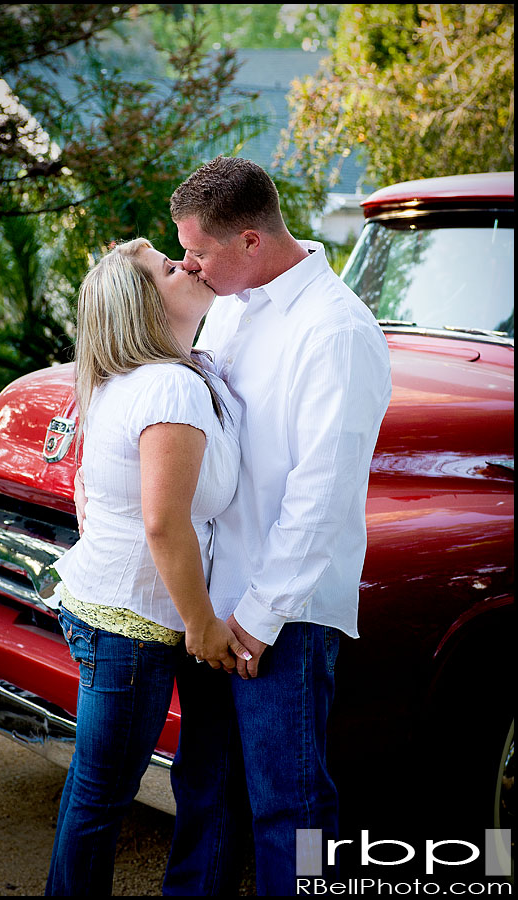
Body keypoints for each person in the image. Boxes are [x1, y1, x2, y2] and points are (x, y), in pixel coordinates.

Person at [160, 157, 393, 895]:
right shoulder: (230, 303)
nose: (189, 265)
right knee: (202, 797)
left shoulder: (337, 331)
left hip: (280, 620)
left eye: (198, 252)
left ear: (252, 241)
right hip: (212, 608)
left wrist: (256, 621)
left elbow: (321, 494)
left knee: (287, 814)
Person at [45, 237, 249, 897]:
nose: (187, 263)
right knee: (102, 798)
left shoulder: (134, 378)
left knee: (94, 791)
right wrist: (203, 624)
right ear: (143, 307)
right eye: (168, 266)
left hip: (109, 611)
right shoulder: (167, 386)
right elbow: (163, 520)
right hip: (130, 627)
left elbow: (95, 494)